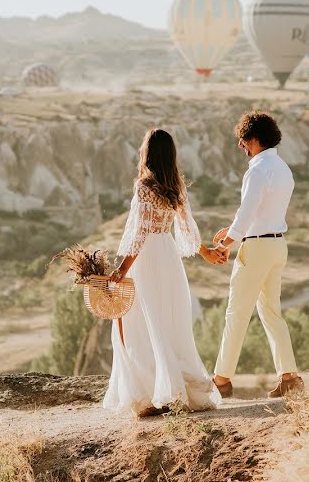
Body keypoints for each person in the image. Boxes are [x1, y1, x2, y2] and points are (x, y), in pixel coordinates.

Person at [104, 128, 225, 417]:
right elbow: (186, 227)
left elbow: (140, 233)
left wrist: (121, 270)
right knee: (168, 324)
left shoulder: (144, 187)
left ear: (147, 153)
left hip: (147, 260)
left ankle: (150, 395)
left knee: (140, 325)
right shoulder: (176, 187)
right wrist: (206, 251)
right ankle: (171, 391)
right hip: (168, 258)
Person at [208, 111, 304, 399]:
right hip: (277, 245)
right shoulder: (283, 168)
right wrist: (234, 231)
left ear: (255, 138)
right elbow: (260, 213)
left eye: (243, 140)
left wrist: (226, 243)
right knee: (272, 312)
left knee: (236, 312)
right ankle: (289, 377)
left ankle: (221, 381)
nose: (241, 146)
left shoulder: (257, 170)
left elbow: (248, 211)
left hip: (258, 248)